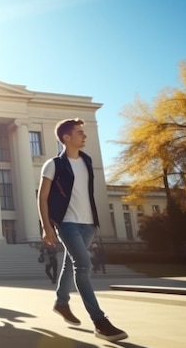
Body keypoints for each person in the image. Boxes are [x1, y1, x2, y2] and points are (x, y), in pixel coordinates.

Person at [38, 118, 128, 342]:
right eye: (80, 133)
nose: (84, 136)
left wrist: (94, 222)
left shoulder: (87, 160)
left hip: (88, 224)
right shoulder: (54, 164)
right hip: (67, 223)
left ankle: (61, 302)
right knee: (84, 265)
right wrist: (47, 226)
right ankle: (100, 322)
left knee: (71, 264)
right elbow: (42, 197)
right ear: (66, 138)